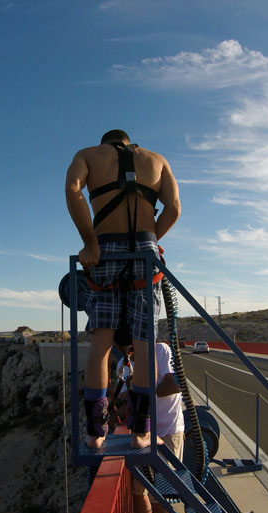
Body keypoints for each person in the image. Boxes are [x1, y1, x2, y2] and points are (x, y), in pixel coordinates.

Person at [65, 129, 181, 449]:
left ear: (105, 143)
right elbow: (173, 208)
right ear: (129, 142)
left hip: (104, 250)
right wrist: (151, 241)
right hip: (145, 252)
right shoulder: (157, 160)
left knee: (101, 343)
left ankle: (96, 432)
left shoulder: (87, 155)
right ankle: (141, 433)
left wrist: (89, 242)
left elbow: (72, 188)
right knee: (144, 346)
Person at [130, 341, 184, 513]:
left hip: (167, 431)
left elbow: (174, 385)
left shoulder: (160, 349)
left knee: (161, 496)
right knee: (138, 489)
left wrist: (142, 396)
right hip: (143, 433)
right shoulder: (129, 361)